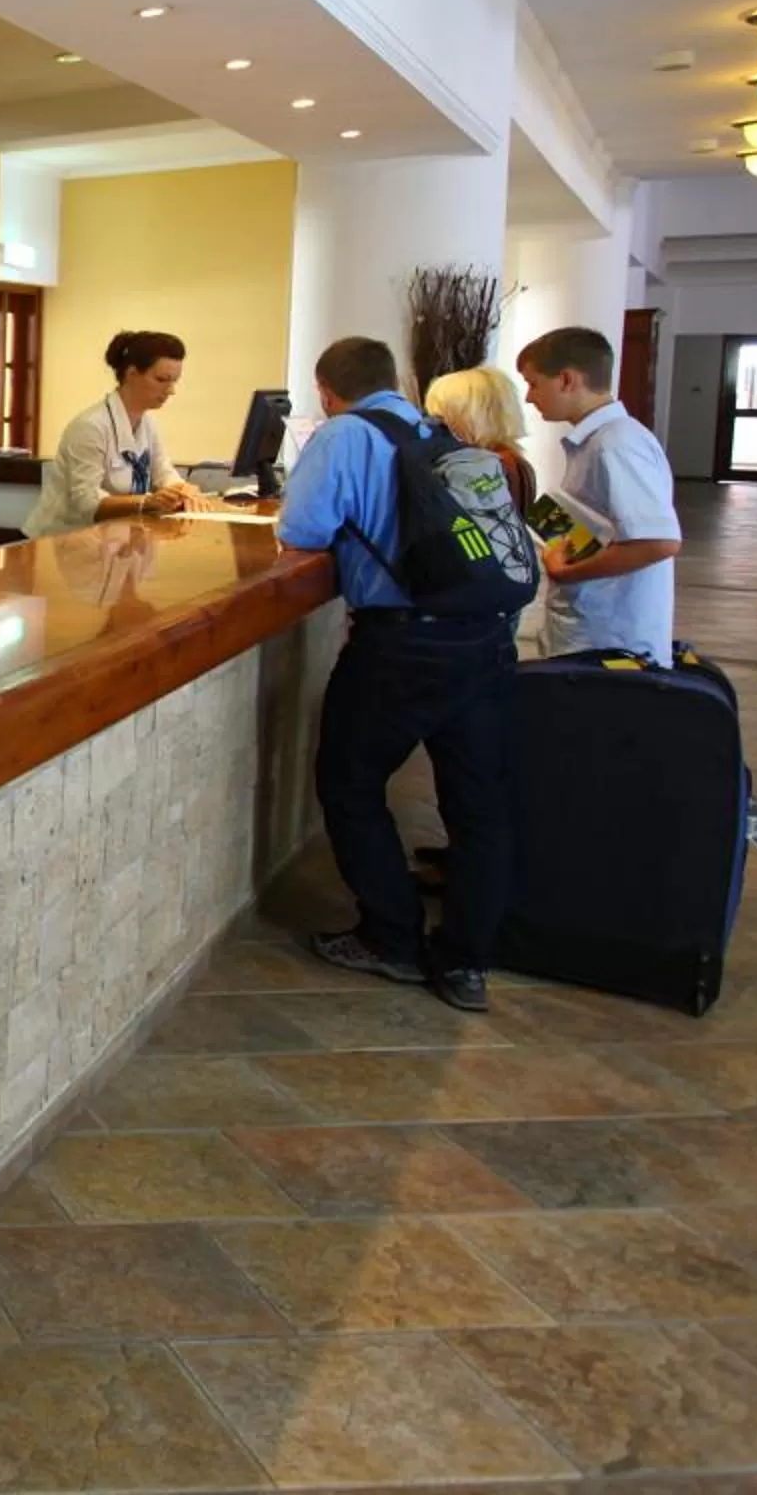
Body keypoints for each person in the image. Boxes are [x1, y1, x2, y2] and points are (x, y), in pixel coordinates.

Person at [274, 335, 522, 1012]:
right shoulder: (441, 432)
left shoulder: (344, 435)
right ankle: (467, 961)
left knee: (349, 783)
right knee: (478, 806)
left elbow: (303, 531)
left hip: (402, 648)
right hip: (489, 639)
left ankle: (391, 939)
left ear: (326, 391)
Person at [517, 325, 681, 667]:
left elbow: (658, 542)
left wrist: (567, 572)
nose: (529, 397)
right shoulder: (598, 441)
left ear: (565, 380)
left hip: (609, 641)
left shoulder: (616, 444)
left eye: (533, 384)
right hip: (590, 634)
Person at [24, 330, 206, 537]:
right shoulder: (90, 427)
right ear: (132, 374)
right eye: (162, 379)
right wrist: (147, 502)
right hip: (62, 542)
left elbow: (163, 472)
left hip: (115, 542)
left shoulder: (148, 424)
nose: (171, 390)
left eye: (174, 381)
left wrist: (183, 491)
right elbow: (87, 502)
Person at [425, 366, 537, 513]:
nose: (436, 424)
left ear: (468, 416)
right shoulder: (512, 459)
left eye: (441, 416)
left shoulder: (488, 468)